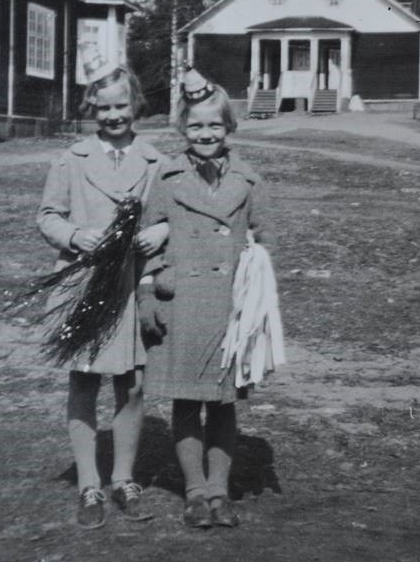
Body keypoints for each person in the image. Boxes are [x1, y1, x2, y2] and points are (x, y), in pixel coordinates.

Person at [137, 66, 276, 529]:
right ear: (183, 128)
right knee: (185, 401)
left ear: (229, 126)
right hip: (182, 303)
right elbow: (147, 242)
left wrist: (257, 297)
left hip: (230, 308)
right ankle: (194, 492)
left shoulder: (249, 181)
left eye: (215, 124)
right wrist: (147, 295)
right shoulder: (167, 177)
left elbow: (266, 242)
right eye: (196, 126)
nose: (206, 134)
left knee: (222, 402)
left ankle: (220, 491)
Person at [37, 44, 168, 530]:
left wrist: (163, 230)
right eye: (104, 107)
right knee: (84, 381)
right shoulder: (71, 160)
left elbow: (171, 214)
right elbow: (47, 215)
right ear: (91, 107)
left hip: (132, 285)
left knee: (131, 385)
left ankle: (123, 478)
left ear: (136, 105)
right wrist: (74, 235)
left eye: (122, 106)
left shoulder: (156, 163)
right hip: (83, 284)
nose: (113, 116)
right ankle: (89, 484)